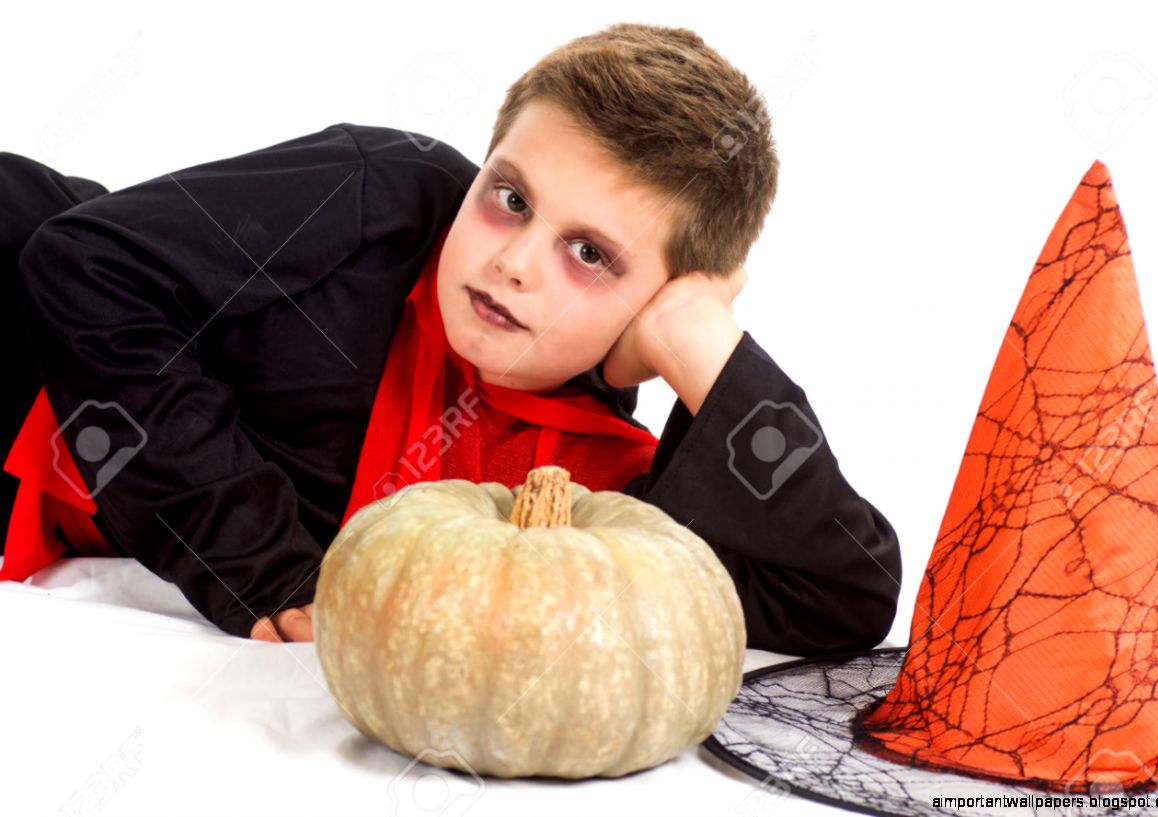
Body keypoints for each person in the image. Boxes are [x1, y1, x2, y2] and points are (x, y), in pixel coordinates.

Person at [0, 22, 902, 653]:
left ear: (659, 301)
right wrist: (263, 569)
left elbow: (845, 593)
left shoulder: (593, 487)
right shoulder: (385, 197)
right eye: (510, 198)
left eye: (589, 254)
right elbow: (81, 263)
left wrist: (709, 353)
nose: (513, 262)